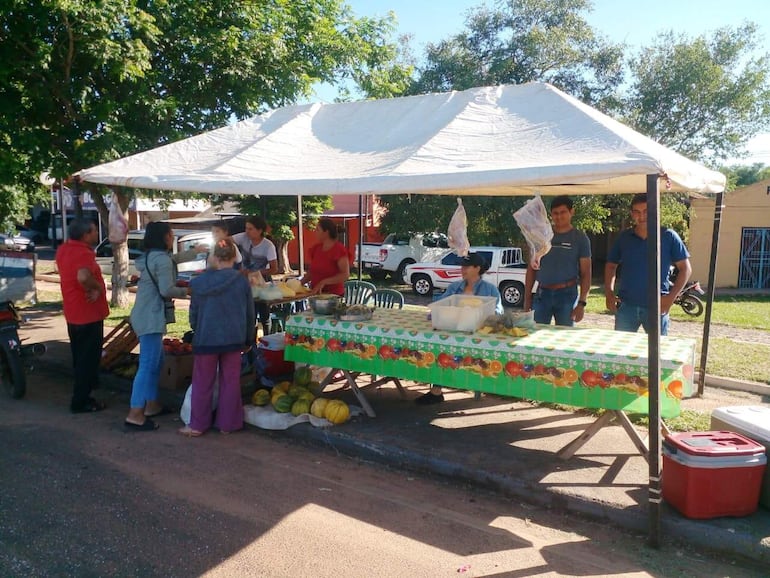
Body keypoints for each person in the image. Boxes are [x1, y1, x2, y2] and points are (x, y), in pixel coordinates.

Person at [179, 238, 255, 437]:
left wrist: (198, 329)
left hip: (206, 338)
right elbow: (249, 313)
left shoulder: (198, 282)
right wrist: (248, 339)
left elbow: (193, 314)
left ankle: (197, 425)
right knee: (230, 381)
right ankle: (228, 424)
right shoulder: (241, 281)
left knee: (203, 382)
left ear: (213, 257)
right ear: (233, 257)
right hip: (234, 339)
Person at [124, 222, 190, 431]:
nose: (172, 237)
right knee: (148, 365)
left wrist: (194, 253)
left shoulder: (152, 256)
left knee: (156, 361)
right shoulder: (161, 259)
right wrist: (188, 292)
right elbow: (167, 290)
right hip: (150, 317)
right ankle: (135, 413)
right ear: (164, 237)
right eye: (171, 234)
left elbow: (170, 262)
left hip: (144, 314)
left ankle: (151, 405)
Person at [416, 252, 503, 405]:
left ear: (477, 268)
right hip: (452, 331)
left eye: (466, 266)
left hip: (476, 335)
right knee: (437, 350)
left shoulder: (490, 290)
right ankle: (436, 391)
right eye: (461, 266)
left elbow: (498, 312)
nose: (462, 269)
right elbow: (439, 307)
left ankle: (476, 385)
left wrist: (483, 314)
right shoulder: (454, 287)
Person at [604, 193, 692, 336]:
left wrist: (671, 297)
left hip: (656, 307)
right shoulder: (624, 238)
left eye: (646, 211)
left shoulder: (668, 236)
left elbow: (685, 269)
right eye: (637, 212)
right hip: (626, 306)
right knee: (622, 351)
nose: (642, 216)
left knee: (657, 355)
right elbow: (610, 266)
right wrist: (609, 293)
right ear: (632, 214)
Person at [55, 218, 110, 413]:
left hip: (73, 312)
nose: (97, 234)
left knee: (80, 357)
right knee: (88, 359)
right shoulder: (82, 253)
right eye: (95, 231)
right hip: (88, 313)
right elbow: (83, 276)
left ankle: (87, 388)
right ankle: (81, 401)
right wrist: (96, 288)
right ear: (86, 234)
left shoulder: (64, 249)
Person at [523, 195, 592, 326]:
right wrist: (527, 301)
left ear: (571, 212)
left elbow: (586, 273)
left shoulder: (580, 238)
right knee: (536, 336)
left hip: (567, 295)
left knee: (565, 337)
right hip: (542, 294)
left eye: (563, 212)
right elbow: (531, 269)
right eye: (555, 213)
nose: (559, 217)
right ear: (551, 215)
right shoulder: (541, 236)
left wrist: (582, 303)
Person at [231, 216, 277, 335]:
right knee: (250, 315)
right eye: (246, 228)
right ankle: (251, 345)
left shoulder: (268, 246)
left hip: (262, 282)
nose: (247, 231)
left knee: (264, 315)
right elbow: (225, 241)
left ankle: (268, 340)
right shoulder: (243, 237)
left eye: (250, 229)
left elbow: (274, 268)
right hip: (245, 282)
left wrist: (255, 273)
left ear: (259, 230)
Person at [299, 217, 350, 296]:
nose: (315, 232)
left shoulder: (339, 250)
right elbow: (311, 272)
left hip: (333, 296)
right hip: (316, 295)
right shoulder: (316, 249)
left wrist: (324, 282)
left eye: (318, 230)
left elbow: (345, 275)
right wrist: (298, 284)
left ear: (326, 232)